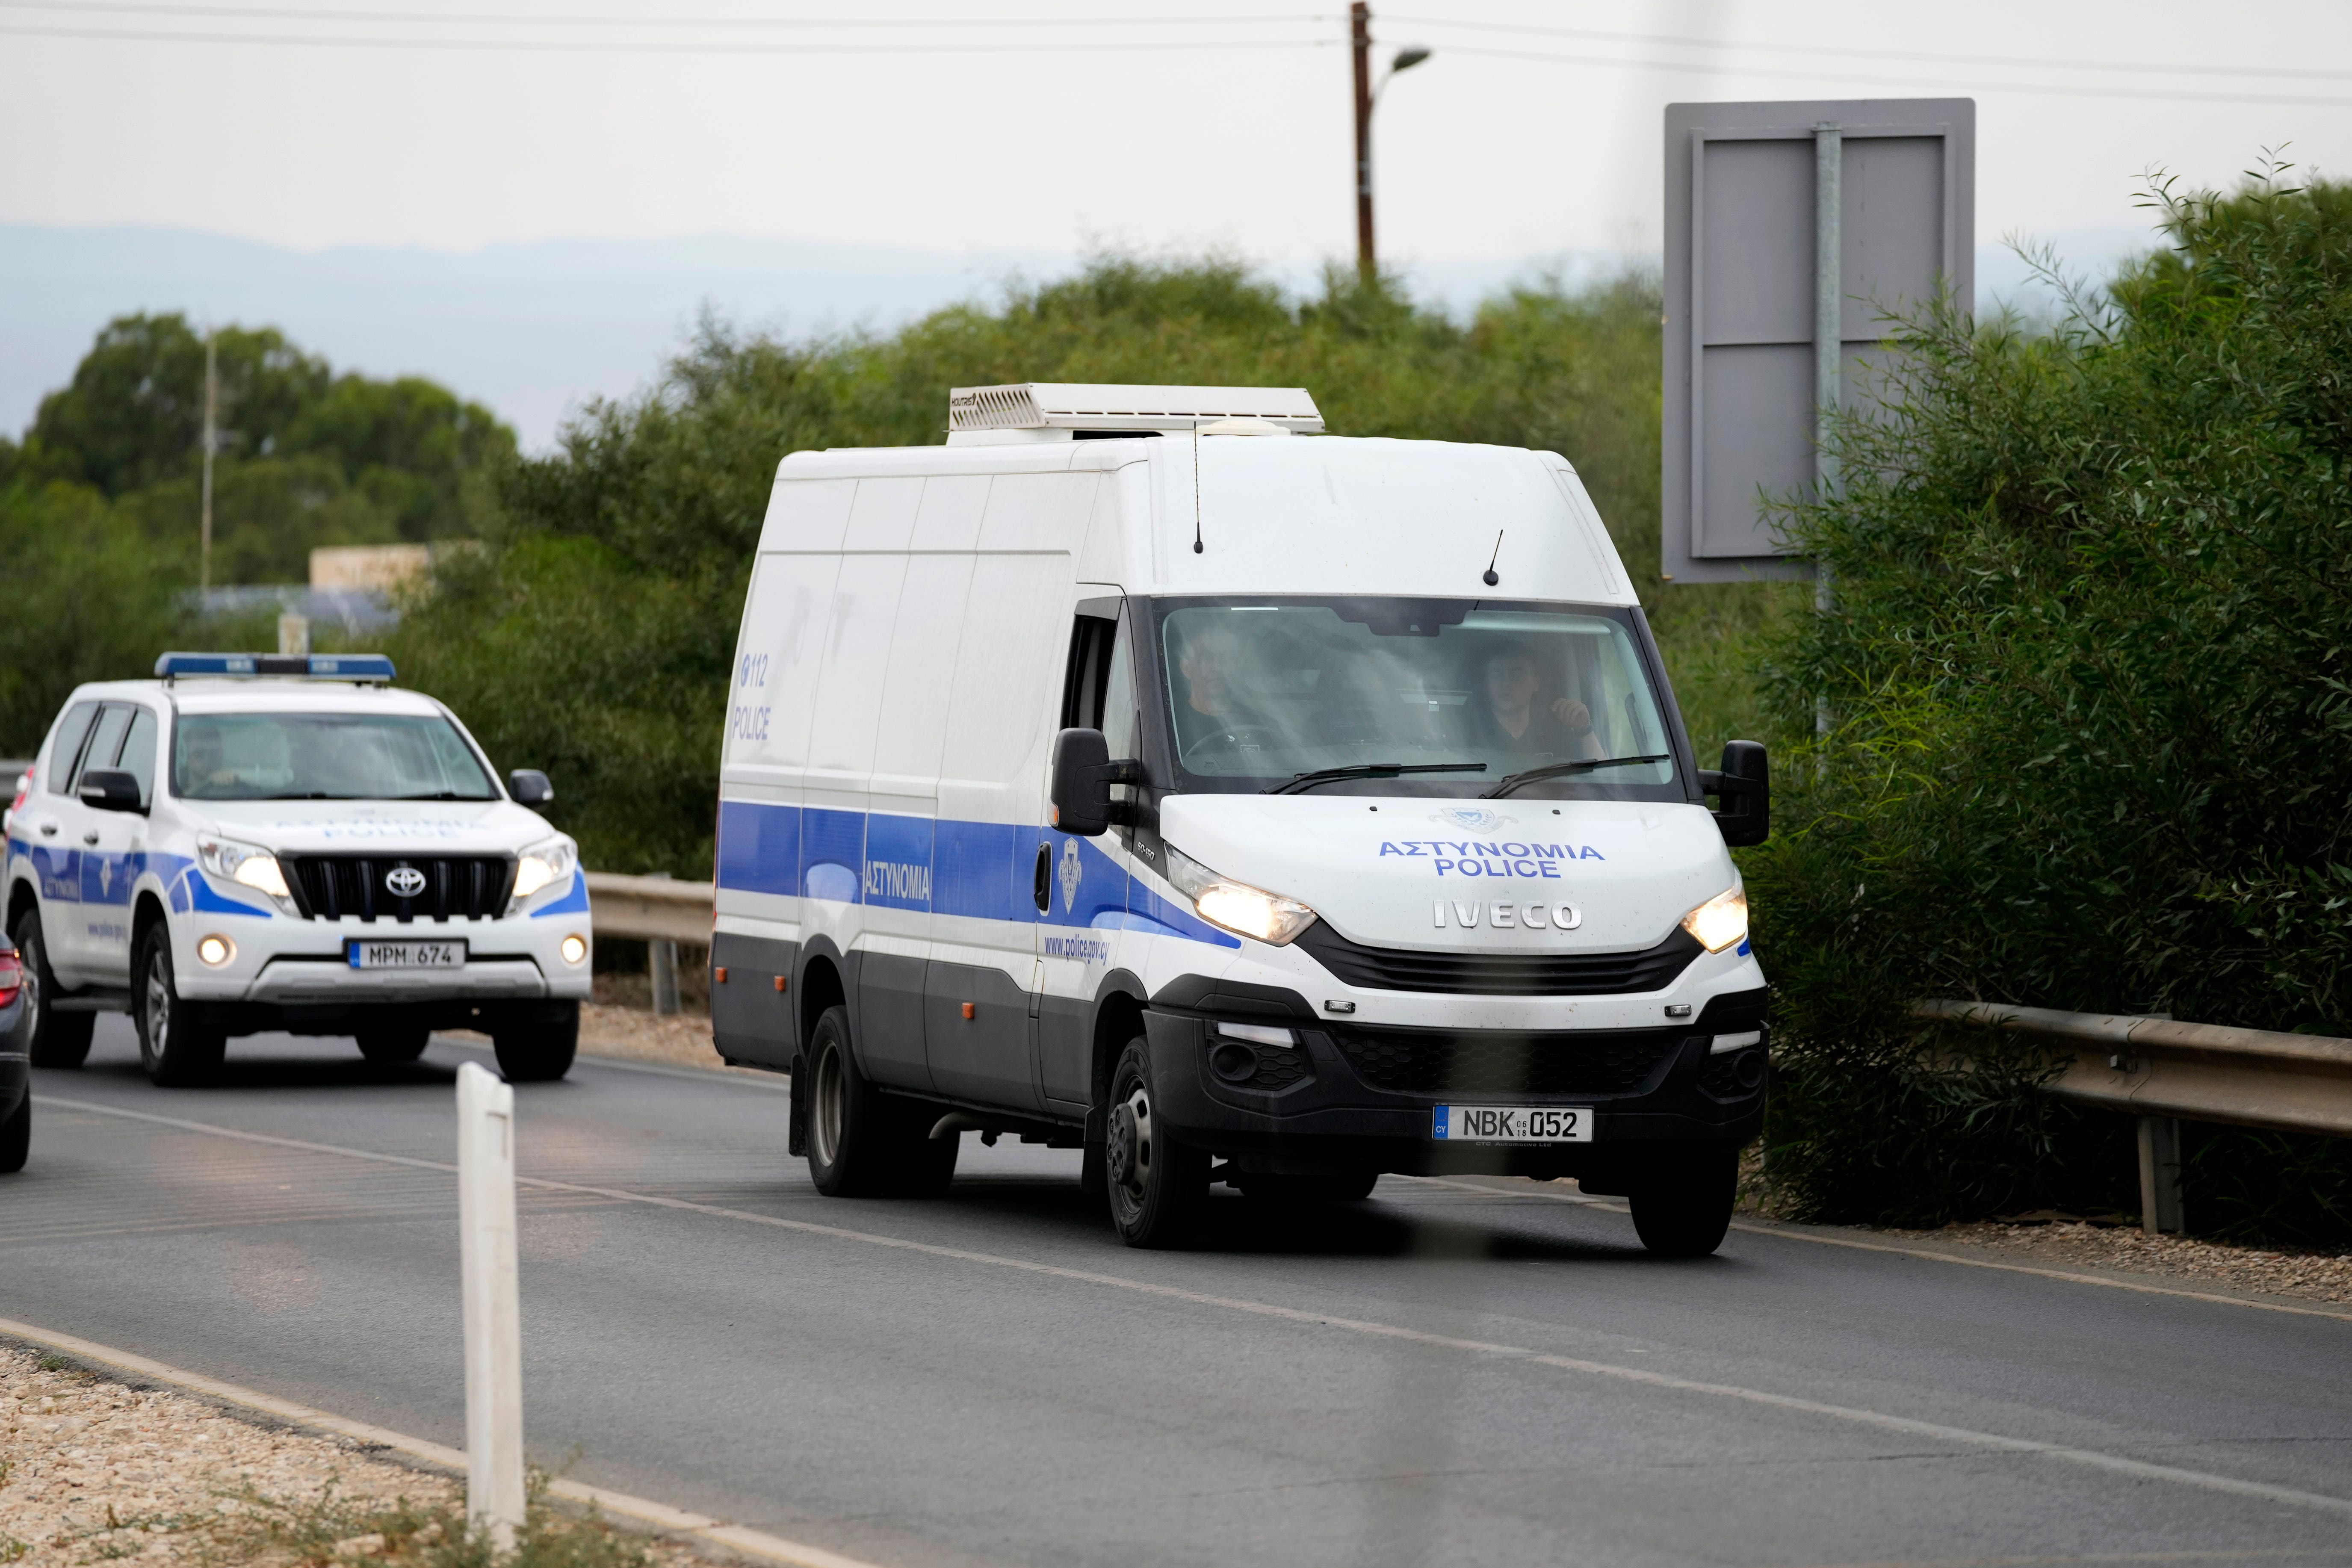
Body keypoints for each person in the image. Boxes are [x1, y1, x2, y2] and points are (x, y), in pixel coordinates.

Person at [1469, 642, 1600, 759]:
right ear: (1486, 683)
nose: (1506, 683)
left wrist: (1585, 729)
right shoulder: (1469, 730)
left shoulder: (1556, 733)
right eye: (1497, 674)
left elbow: (1602, 774)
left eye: (1517, 674)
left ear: (1536, 684)